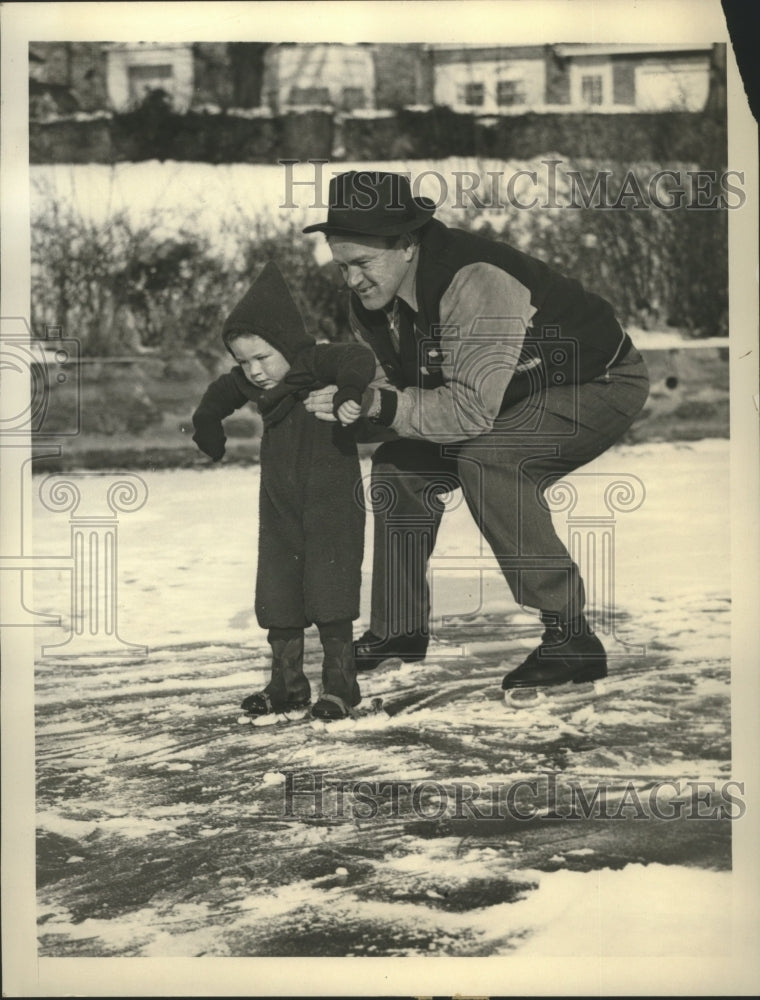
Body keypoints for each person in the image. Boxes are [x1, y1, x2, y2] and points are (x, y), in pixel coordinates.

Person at [302, 171, 650, 690]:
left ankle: (571, 639)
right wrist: (353, 402)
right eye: (342, 266)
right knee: (400, 466)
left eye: (362, 265)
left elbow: (466, 411)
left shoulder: (476, 279)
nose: (351, 281)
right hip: (507, 392)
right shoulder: (372, 297)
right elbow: (396, 386)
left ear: (407, 245)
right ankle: (398, 629)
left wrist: (379, 405)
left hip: (595, 379)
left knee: (491, 458)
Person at [191, 261, 375, 720]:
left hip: (333, 501)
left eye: (262, 357)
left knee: (331, 589)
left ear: (287, 344)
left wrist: (347, 393)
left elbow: (358, 359)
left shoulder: (314, 363)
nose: (253, 371)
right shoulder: (260, 385)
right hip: (280, 504)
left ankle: (340, 688)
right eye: (244, 361)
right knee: (278, 589)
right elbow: (220, 392)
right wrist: (207, 422)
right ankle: (287, 684)